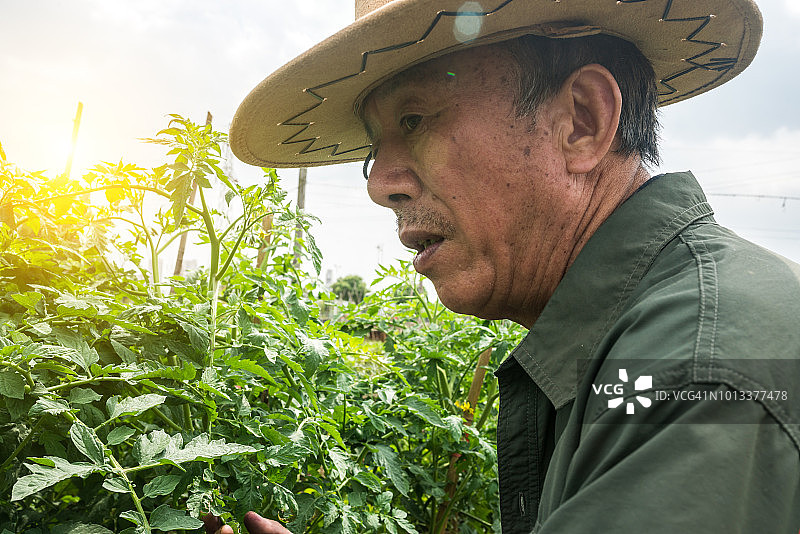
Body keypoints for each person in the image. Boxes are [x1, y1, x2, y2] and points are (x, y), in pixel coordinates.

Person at [211, 0, 800, 532]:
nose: (380, 184)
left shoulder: (691, 374)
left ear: (582, 121)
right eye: (373, 147)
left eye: (414, 121)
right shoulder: (649, 335)